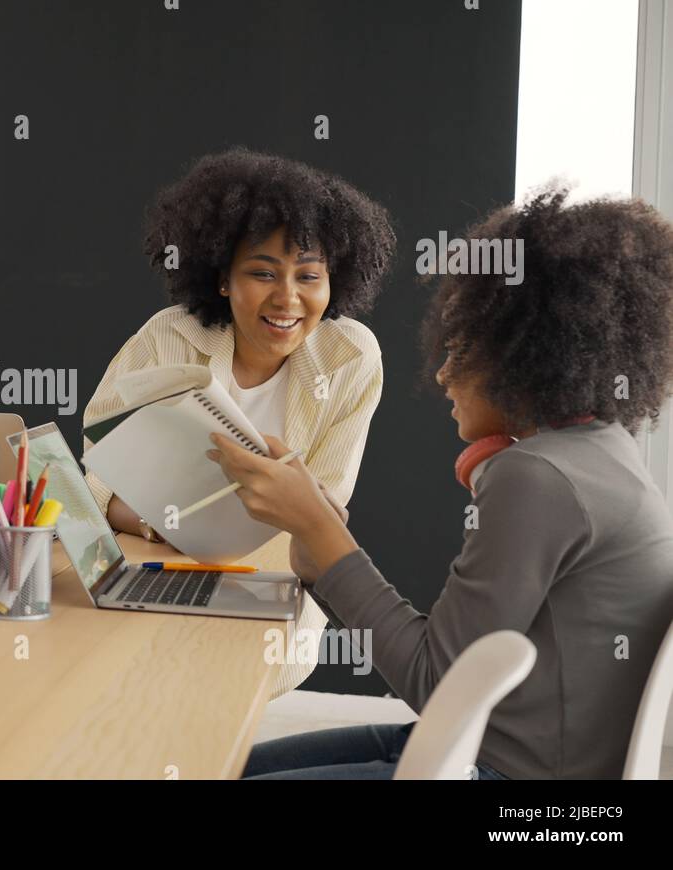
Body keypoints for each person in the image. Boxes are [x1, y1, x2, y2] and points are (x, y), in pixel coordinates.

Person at [213, 188, 673, 779]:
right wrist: (317, 546)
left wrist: (320, 531)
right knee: (218, 765)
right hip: (473, 748)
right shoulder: (602, 454)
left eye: (462, 349)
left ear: (523, 357)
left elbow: (436, 681)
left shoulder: (538, 478)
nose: (443, 372)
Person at [83, 147, 396, 697]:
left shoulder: (352, 357)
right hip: (156, 569)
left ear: (333, 282)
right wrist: (170, 525)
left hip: (272, 582)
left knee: (217, 694)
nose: (288, 298)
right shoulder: (168, 337)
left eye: (309, 276)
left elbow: (323, 506)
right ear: (223, 279)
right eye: (262, 273)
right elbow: (97, 474)